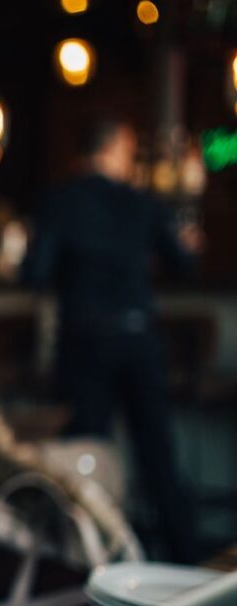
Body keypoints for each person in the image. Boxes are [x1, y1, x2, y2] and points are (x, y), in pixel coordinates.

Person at [21, 119, 201, 563]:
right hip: (139, 338)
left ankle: (92, 566)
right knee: (157, 456)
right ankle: (187, 565)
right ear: (118, 148)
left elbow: (33, 274)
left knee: (88, 460)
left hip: (84, 342)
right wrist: (188, 243)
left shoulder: (61, 199)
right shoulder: (144, 202)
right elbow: (183, 263)